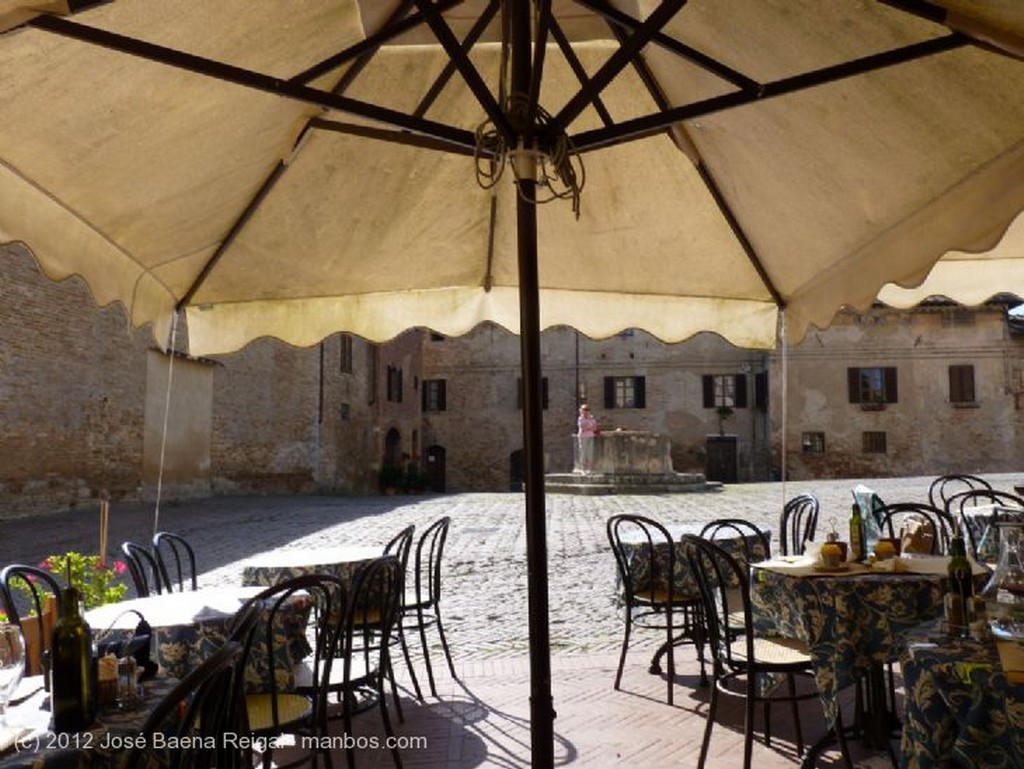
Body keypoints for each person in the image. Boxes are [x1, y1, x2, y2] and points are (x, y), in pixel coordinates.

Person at [576, 404, 599, 473]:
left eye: (587, 410)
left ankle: (590, 469)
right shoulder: (580, 418)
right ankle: (583, 469)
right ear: (581, 411)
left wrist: (589, 427)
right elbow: (583, 428)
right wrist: (590, 427)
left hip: (590, 436)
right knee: (583, 452)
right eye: (584, 410)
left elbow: (595, 428)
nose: (586, 411)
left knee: (590, 452)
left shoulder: (591, 418)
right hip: (583, 437)